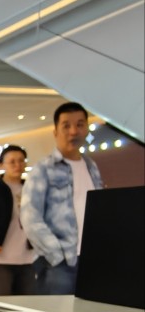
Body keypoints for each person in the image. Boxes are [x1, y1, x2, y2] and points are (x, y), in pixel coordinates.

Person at [20, 101, 104, 295]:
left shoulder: (91, 167)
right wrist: (57, 255)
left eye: (80, 124)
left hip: (91, 259)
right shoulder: (43, 169)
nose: (74, 131)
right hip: (58, 263)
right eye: (66, 125)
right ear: (56, 131)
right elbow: (30, 217)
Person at [0, 145, 35, 295]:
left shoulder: (30, 189)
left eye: (21, 161)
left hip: (27, 258)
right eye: (12, 161)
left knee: (27, 307)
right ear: (1, 165)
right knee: (0, 306)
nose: (18, 165)